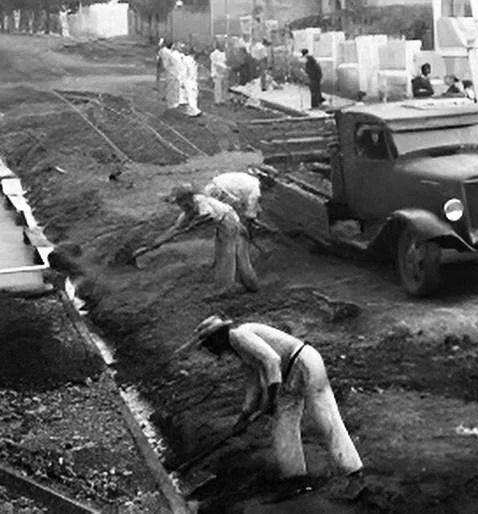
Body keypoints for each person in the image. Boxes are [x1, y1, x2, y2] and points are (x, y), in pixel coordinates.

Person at [175, 316, 363, 479]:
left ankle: (352, 470)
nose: (210, 350)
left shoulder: (240, 335)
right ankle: (294, 476)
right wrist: (244, 416)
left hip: (304, 362)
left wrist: (271, 400)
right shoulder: (239, 350)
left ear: (218, 337)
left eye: (209, 344)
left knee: (326, 418)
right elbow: (254, 383)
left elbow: (272, 360)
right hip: (287, 375)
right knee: (284, 429)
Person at [138, 184, 258, 292]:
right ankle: (239, 284)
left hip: (229, 221)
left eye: (181, 201)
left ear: (189, 198)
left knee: (227, 254)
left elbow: (206, 215)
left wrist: (192, 225)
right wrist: (154, 244)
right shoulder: (188, 211)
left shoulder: (201, 201)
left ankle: (225, 288)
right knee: (226, 254)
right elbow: (176, 228)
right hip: (223, 225)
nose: (180, 204)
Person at [161, 43, 183, 109]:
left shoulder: (174, 54)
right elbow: (177, 65)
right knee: (172, 89)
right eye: (180, 47)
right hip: (173, 74)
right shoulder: (174, 55)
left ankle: (173, 103)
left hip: (172, 74)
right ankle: (172, 104)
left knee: (173, 88)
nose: (181, 48)